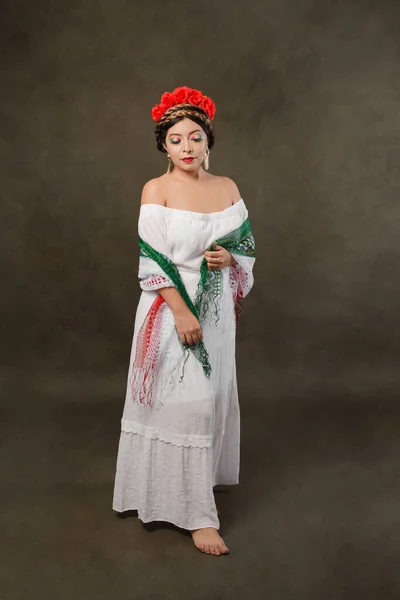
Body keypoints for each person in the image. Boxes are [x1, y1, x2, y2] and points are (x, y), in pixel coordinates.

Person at [112, 86, 256, 556]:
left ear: (207, 141)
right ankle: (194, 515)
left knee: (208, 400)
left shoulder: (228, 187)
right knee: (181, 401)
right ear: (164, 146)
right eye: (176, 140)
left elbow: (246, 248)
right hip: (171, 309)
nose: (187, 147)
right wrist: (179, 312)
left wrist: (228, 259)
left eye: (195, 137)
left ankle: (194, 491)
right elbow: (150, 259)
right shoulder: (157, 189)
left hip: (214, 313)